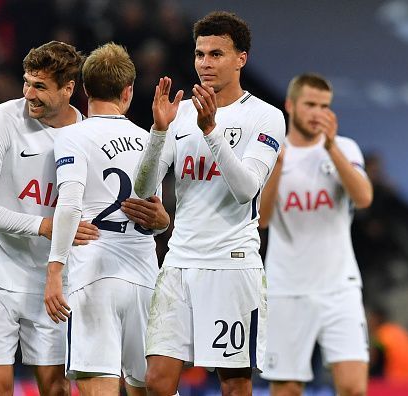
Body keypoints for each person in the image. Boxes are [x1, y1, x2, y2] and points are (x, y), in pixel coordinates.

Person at [133, 11, 285, 396]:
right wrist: (158, 131)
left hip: (231, 264)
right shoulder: (181, 113)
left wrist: (212, 132)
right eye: (199, 54)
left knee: (233, 385)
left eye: (216, 54)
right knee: (156, 381)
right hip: (180, 261)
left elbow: (246, 189)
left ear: (241, 59)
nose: (204, 63)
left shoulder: (266, 117)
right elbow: (144, 185)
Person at [0, 41, 96, 396]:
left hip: (48, 282)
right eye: (26, 82)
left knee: (56, 389)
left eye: (40, 87)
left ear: (68, 89)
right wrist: (43, 226)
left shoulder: (86, 135)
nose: (28, 94)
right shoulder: (1, 120)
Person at [44, 42, 170, 396]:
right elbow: (151, 215)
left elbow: (69, 204)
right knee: (149, 388)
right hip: (145, 277)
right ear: (128, 91)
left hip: (93, 277)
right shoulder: (149, 139)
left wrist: (54, 268)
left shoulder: (72, 136)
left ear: (84, 89)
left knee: (99, 386)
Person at [258, 73, 373, 396]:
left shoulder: (345, 148)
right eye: (310, 104)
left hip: (340, 287)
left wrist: (332, 148)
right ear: (290, 105)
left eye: (324, 106)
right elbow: (262, 220)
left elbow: (363, 198)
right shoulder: (272, 153)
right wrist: (278, 165)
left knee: (353, 388)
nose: (317, 113)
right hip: (286, 288)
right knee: (287, 389)